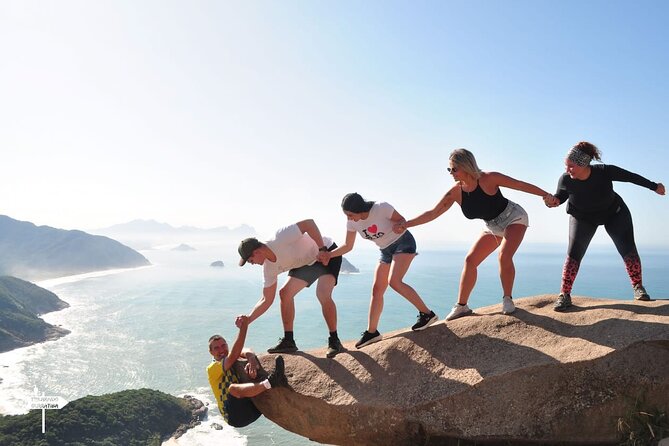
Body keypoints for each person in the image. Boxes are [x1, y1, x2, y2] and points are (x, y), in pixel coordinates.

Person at [396, 148, 553, 321]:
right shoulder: (456, 192)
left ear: (466, 166)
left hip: (514, 218)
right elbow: (433, 213)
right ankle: (462, 306)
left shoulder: (489, 178)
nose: (451, 173)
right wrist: (406, 224)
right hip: (492, 226)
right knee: (470, 261)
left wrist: (546, 195)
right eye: (449, 170)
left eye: (454, 169)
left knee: (504, 256)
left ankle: (507, 299)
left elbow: (519, 184)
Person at [545, 141, 665, 311]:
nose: (567, 170)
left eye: (571, 166)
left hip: (614, 214)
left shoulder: (604, 171)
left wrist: (654, 187)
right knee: (573, 254)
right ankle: (564, 295)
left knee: (628, 250)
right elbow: (560, 197)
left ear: (583, 164)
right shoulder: (566, 179)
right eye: (566, 166)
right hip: (582, 218)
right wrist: (552, 202)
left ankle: (638, 288)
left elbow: (630, 177)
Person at [318, 192, 438, 349]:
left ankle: (427, 314)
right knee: (377, 290)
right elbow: (348, 246)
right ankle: (372, 332)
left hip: (403, 243)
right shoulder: (352, 223)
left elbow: (402, 221)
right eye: (346, 215)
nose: (349, 218)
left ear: (359, 209)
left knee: (394, 282)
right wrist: (329, 255)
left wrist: (399, 225)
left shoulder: (381, 208)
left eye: (350, 214)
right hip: (385, 250)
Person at [237, 219, 345, 358]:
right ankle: (289, 340)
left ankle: (334, 340)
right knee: (285, 293)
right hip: (307, 262)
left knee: (322, 293)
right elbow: (266, 299)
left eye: (251, 261)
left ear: (257, 252)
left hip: (327, 252)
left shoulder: (279, 238)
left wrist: (322, 249)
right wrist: (248, 319)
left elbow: (309, 224)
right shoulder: (269, 269)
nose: (252, 264)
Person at [207, 315, 287, 428]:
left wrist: (251, 358)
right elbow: (235, 354)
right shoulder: (212, 368)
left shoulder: (229, 357)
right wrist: (244, 327)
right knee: (232, 389)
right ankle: (271, 382)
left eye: (223, 345)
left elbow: (245, 350)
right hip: (235, 417)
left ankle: (267, 385)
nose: (221, 350)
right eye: (216, 348)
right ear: (211, 352)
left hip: (253, 408)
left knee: (249, 376)